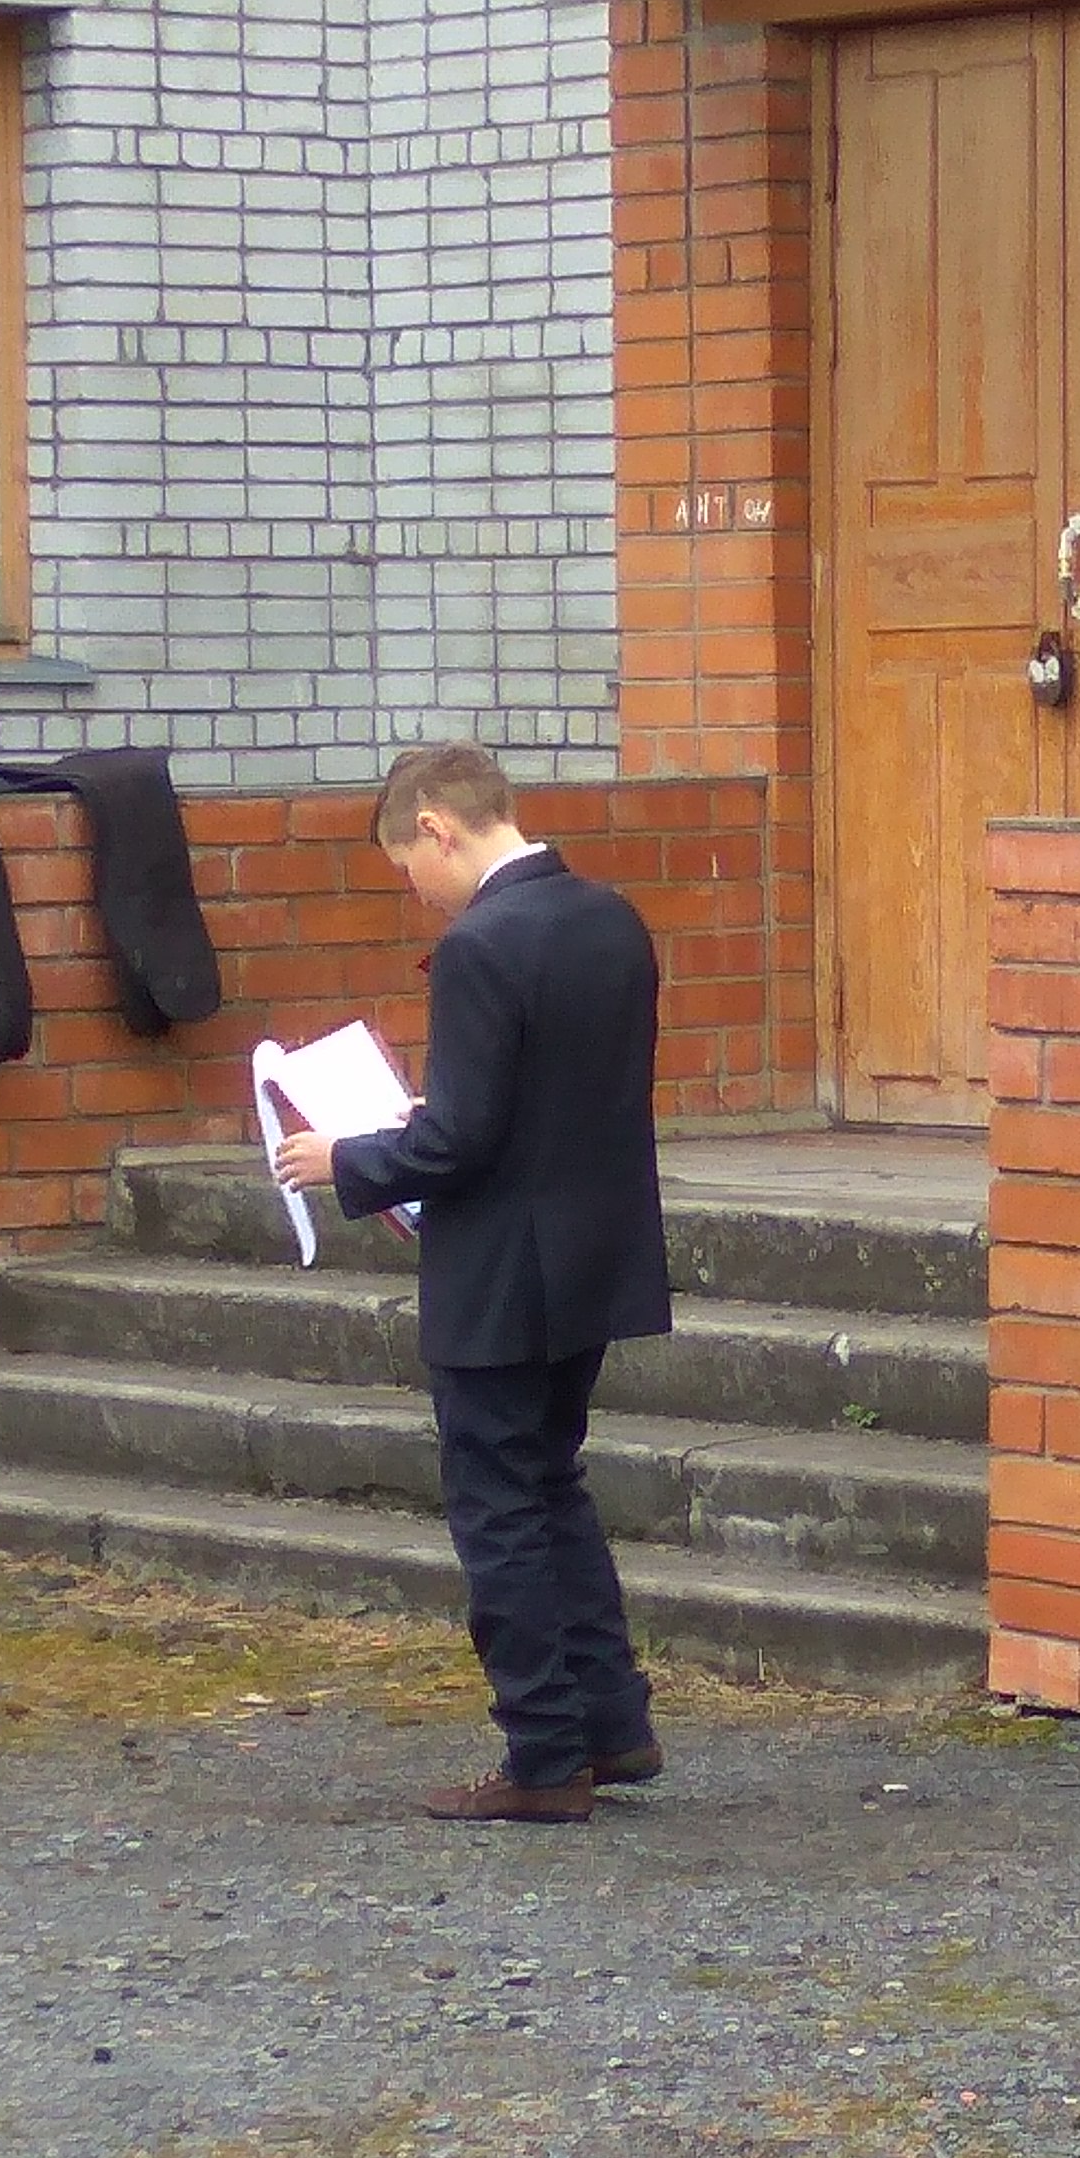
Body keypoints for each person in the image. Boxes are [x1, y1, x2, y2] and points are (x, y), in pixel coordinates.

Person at [270, 744, 672, 1823]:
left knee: (498, 1509)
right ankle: (612, 1722)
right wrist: (431, 1124)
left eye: (409, 867)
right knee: (552, 1485)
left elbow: (461, 1142)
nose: (418, 892)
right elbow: (552, 1096)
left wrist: (347, 1158)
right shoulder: (611, 919)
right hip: (595, 1252)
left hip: (500, 1270)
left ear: (436, 828)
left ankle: (544, 1753)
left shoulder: (480, 945)